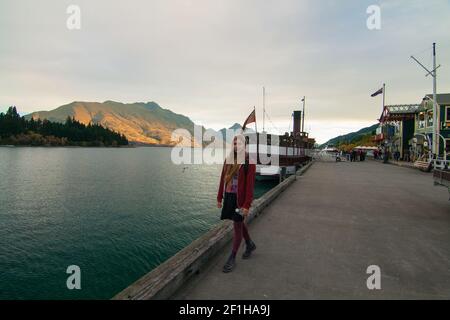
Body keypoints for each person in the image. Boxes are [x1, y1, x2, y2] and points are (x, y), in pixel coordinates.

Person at [217, 135, 257, 273]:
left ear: (244, 145)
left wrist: (246, 205)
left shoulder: (249, 162)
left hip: (240, 200)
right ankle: (250, 244)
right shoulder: (228, 160)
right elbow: (223, 179)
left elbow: (250, 187)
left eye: (239, 143)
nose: (236, 146)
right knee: (237, 222)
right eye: (234, 143)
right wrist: (219, 197)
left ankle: (232, 257)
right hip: (229, 197)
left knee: (237, 225)